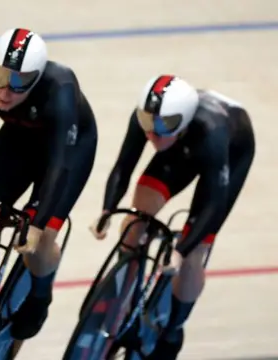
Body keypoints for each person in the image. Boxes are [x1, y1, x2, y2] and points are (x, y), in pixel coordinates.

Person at [0, 27, 98, 341]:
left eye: (17, 83)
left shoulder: (61, 88)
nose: (4, 90)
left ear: (37, 78)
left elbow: (58, 166)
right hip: (19, 138)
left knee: (38, 239)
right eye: (0, 76)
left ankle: (40, 295)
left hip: (67, 150)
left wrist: (38, 223)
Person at [90, 74, 255, 359]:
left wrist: (182, 249)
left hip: (229, 151)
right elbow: (123, 167)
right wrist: (107, 209)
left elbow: (213, 204)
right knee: (135, 221)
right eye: (147, 124)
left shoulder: (213, 134)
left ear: (183, 122)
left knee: (193, 254)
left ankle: (174, 326)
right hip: (177, 145)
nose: (152, 134)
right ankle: (123, 296)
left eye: (162, 127)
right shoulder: (153, 119)